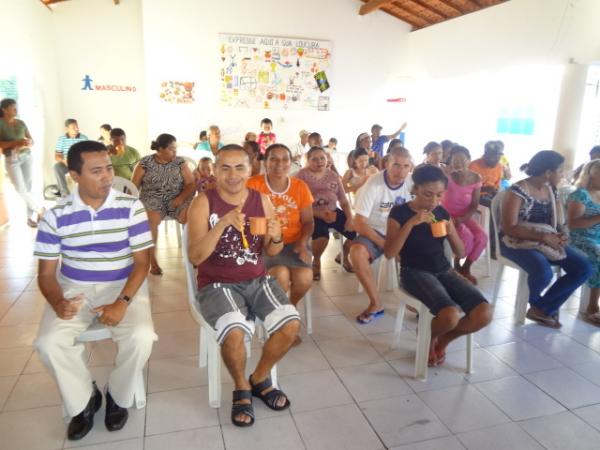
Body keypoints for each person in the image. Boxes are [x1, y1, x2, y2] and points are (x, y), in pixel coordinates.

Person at [33, 140, 156, 440]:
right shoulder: (56, 215)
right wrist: (58, 300)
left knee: (141, 337)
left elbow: (143, 262)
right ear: (74, 176)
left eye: (109, 169)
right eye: (96, 171)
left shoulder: (130, 207)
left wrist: (123, 302)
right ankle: (84, 398)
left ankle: (117, 394)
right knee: (48, 343)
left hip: (123, 284)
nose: (107, 177)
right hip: (75, 288)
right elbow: (46, 274)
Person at [187, 144, 300, 427]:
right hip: (216, 284)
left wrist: (276, 237)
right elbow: (195, 257)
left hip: (257, 280)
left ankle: (259, 377)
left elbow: (271, 252)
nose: (233, 174)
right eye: (225, 167)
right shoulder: (204, 202)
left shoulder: (260, 201)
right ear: (214, 170)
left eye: (240, 167)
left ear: (251, 171)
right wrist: (222, 223)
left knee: (291, 325)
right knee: (235, 332)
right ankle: (241, 387)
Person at [385, 165, 492, 366]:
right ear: (415, 189)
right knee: (450, 315)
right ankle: (427, 336)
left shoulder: (442, 212)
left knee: (484, 313)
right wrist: (411, 223)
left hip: (443, 270)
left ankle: (441, 339)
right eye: (427, 194)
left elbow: (460, 253)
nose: (433, 201)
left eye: (439, 195)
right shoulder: (399, 213)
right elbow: (390, 253)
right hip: (413, 271)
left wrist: (451, 229)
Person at [500, 150, 592, 328]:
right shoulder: (517, 190)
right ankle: (539, 306)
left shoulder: (552, 191)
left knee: (583, 268)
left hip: (543, 241)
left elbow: (557, 223)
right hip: (514, 242)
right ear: (548, 173)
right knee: (543, 272)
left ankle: (542, 308)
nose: (563, 174)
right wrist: (544, 237)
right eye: (560, 171)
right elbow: (509, 228)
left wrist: (561, 236)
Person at [247, 144, 314, 326]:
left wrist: (302, 244)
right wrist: (268, 242)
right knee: (281, 277)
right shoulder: (253, 184)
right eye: (273, 159)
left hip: (295, 243)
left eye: (285, 159)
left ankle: (289, 311)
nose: (279, 163)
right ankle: (280, 321)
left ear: (291, 162)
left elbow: (308, 222)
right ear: (265, 162)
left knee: (305, 277)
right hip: (265, 243)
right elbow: (250, 221)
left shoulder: (300, 186)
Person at [350, 146, 413, 324]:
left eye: (406, 166)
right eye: (396, 165)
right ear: (387, 163)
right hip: (376, 231)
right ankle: (376, 303)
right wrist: (386, 245)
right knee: (356, 252)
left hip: (403, 232)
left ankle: (417, 297)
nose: (400, 171)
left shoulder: (412, 183)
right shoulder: (373, 184)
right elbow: (359, 223)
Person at [132, 134, 195, 275]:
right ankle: (152, 260)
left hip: (177, 197)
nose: (175, 152)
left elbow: (191, 183)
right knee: (150, 221)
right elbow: (133, 186)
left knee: (193, 216)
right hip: (152, 199)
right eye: (172, 149)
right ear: (160, 149)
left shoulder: (180, 162)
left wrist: (181, 197)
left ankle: (196, 255)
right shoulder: (144, 163)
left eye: (176, 149)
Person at [296, 146, 356, 280]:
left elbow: (343, 200)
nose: (319, 161)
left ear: (327, 159)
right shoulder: (302, 175)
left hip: (333, 210)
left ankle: (343, 256)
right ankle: (316, 261)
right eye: (314, 159)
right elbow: (298, 203)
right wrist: (319, 214)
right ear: (308, 160)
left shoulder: (333, 175)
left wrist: (350, 218)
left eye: (322, 158)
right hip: (311, 213)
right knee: (322, 235)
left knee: (355, 232)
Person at [442, 146, 487, 284]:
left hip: (463, 215)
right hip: (445, 215)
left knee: (482, 236)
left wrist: (462, 219)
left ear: (469, 160)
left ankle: (466, 268)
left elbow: (474, 205)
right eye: (455, 160)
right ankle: (456, 264)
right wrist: (444, 173)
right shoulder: (446, 175)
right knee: (466, 236)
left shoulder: (476, 178)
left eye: (462, 159)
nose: (459, 163)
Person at [0, 98, 45, 227]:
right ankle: (40, 210)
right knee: (20, 189)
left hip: (26, 157)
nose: (16, 109)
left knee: (28, 188)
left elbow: (32, 141)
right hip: (11, 159)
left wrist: (27, 143)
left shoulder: (21, 123)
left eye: (16, 107)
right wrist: (15, 143)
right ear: (4, 109)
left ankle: (30, 218)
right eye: (13, 107)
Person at [567, 159, 600, 325]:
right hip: (580, 239)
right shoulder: (580, 195)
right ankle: (592, 305)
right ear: (592, 176)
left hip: (598, 238)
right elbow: (574, 225)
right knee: (597, 252)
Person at [55, 119, 89, 197]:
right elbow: (57, 156)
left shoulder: (84, 138)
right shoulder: (62, 139)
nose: (77, 129)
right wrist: (63, 160)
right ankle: (64, 194)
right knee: (57, 167)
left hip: (80, 164)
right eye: (74, 127)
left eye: (77, 126)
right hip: (67, 164)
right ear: (67, 129)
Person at [469, 141, 504, 207]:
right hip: (475, 197)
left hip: (489, 196)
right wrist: (484, 189)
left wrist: (495, 191)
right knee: (495, 206)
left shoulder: (499, 167)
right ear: (485, 155)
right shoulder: (474, 166)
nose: (496, 161)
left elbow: (497, 186)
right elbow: (466, 189)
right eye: (493, 157)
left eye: (498, 158)